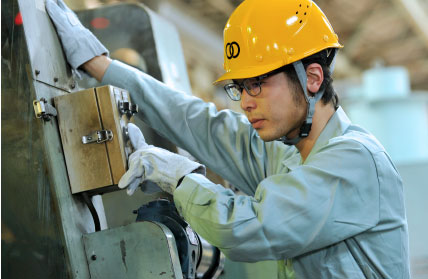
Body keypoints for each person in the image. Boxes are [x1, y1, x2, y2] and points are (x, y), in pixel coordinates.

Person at [46, 0, 410, 278]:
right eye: (240, 88)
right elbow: (200, 124)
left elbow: (249, 227)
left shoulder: (355, 162)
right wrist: (100, 66)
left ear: (313, 78)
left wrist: (181, 178)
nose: (247, 102)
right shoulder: (285, 155)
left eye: (258, 84)